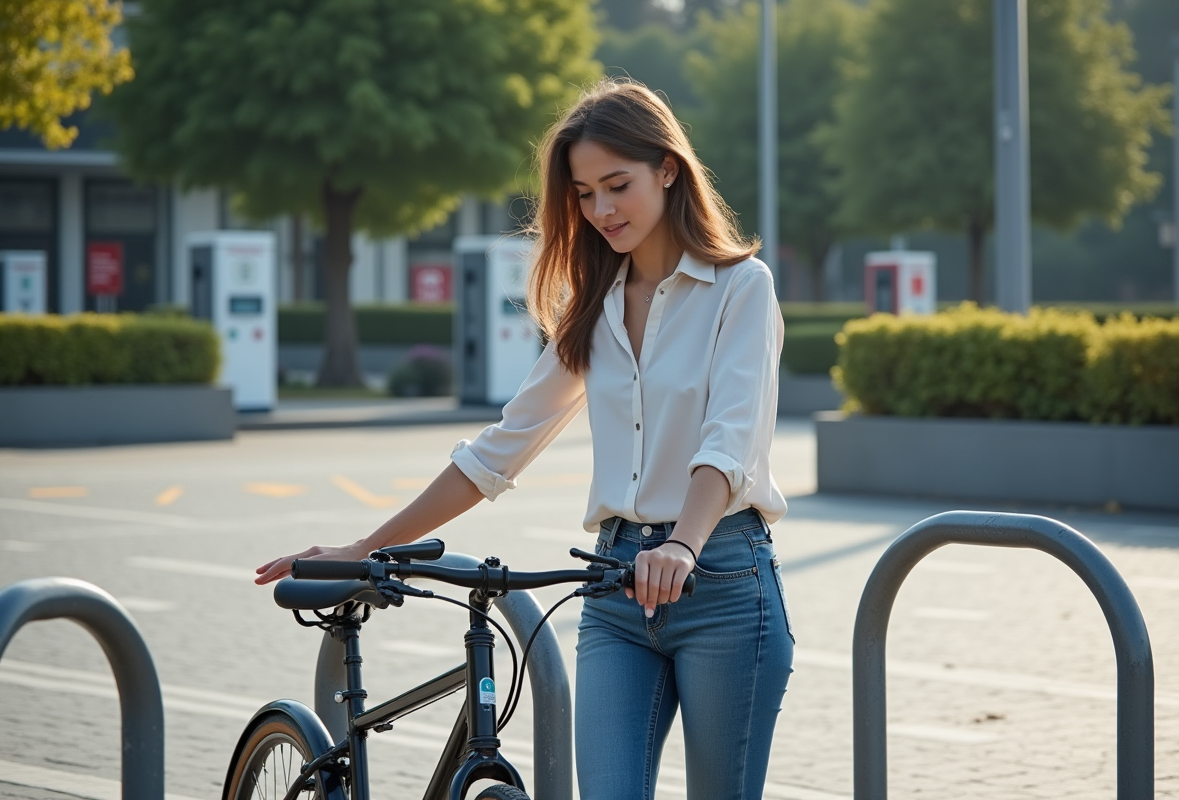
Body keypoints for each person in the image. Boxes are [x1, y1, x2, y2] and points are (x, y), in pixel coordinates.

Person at [256, 76, 794, 800]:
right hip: (614, 590)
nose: (600, 209)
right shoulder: (594, 307)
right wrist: (364, 548)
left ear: (668, 169)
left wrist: (681, 544)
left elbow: (728, 444)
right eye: (583, 193)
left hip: (723, 581)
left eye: (617, 185)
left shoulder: (741, 289)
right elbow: (497, 451)